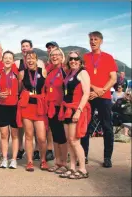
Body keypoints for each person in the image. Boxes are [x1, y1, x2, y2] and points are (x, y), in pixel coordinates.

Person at [81, 31, 117, 168]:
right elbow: (82, 77)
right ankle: (83, 155)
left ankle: (107, 157)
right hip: (88, 96)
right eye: (91, 39)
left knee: (107, 127)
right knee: (85, 127)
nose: (93, 41)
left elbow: (113, 78)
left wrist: (101, 91)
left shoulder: (108, 57)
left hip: (105, 97)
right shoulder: (85, 57)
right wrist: (95, 88)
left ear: (101, 41)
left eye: (96, 39)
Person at [58, 51, 91, 179]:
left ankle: (82, 169)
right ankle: (72, 167)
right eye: (70, 59)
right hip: (67, 109)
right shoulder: (69, 74)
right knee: (69, 141)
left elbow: (86, 94)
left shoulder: (83, 73)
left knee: (75, 140)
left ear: (80, 60)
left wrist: (79, 110)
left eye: (76, 59)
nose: (73, 61)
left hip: (76, 109)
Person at [17, 51, 49, 172]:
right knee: (29, 136)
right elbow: (19, 90)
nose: (30, 61)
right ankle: (29, 161)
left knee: (41, 137)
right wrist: (25, 95)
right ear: (25, 61)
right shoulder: (22, 73)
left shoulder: (43, 72)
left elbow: (46, 88)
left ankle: (43, 159)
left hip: (39, 107)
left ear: (37, 60)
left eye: (32, 58)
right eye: (28, 59)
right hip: (27, 107)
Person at [0, 51, 19, 169]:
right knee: (3, 134)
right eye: (5, 58)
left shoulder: (17, 74)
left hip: (15, 107)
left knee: (15, 135)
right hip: (2, 107)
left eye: (10, 58)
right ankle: (5, 158)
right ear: (2, 60)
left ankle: (14, 159)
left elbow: (21, 88)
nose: (7, 60)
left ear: (13, 61)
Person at [44, 48, 68, 174]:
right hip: (51, 107)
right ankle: (57, 162)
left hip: (61, 108)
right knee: (55, 136)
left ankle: (64, 163)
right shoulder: (50, 71)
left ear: (62, 56)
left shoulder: (65, 70)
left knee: (62, 137)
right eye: (52, 55)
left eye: (57, 55)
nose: (54, 57)